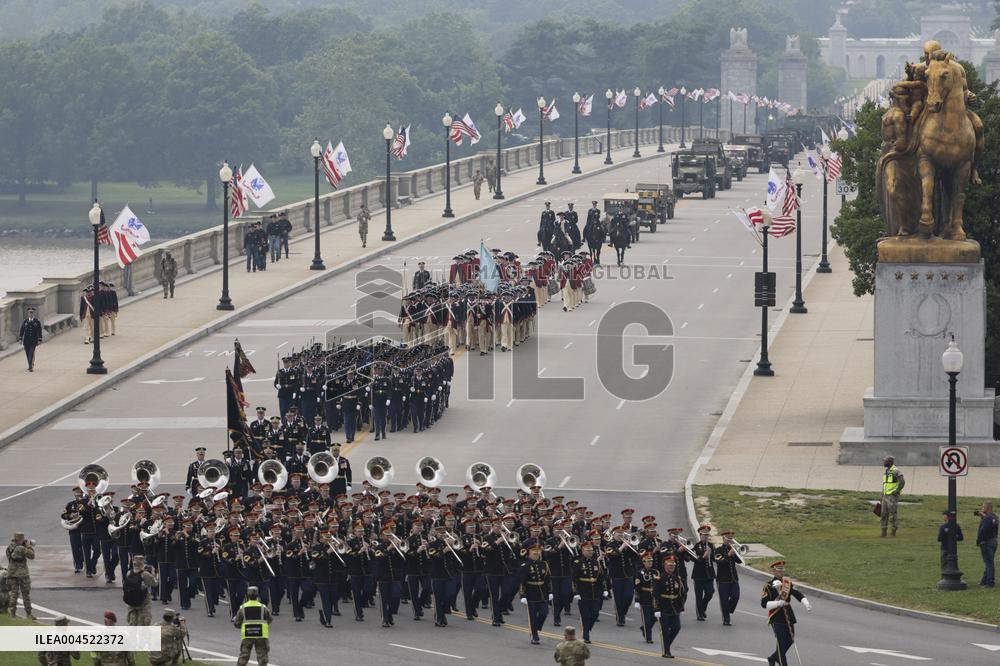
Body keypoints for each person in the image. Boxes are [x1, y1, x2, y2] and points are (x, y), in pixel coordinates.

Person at [760, 561, 811, 666]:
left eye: (783, 570)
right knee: (781, 643)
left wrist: (806, 602)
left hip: (788, 614)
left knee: (790, 640)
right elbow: (764, 604)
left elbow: (797, 593)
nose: (782, 572)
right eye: (779, 570)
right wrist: (778, 603)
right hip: (776, 616)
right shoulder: (768, 585)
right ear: (774, 571)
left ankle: (773, 658)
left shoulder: (787, 582)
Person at [653, 555, 686, 659]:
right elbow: (655, 595)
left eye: (673, 565)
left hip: (674, 608)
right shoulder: (660, 579)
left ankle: (666, 644)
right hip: (663, 607)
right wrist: (656, 609)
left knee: (676, 627)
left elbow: (681, 594)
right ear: (665, 566)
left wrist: (681, 607)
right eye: (669, 565)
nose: (672, 567)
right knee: (665, 630)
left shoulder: (677, 578)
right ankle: (666, 651)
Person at [235, 585, 272, 666]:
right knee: (262, 657)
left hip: (247, 634)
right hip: (261, 634)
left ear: (248, 595)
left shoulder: (242, 608)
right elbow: (269, 620)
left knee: (244, 655)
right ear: (257, 595)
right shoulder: (263, 608)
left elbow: (237, 623)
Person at [713, 531, 740, 626]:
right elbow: (719, 561)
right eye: (728, 539)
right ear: (723, 539)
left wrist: (737, 552)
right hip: (723, 579)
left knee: (736, 596)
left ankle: (728, 611)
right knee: (724, 600)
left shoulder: (733, 549)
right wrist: (728, 554)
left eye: (731, 539)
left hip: (733, 578)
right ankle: (726, 618)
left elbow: (739, 561)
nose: (730, 541)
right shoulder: (718, 550)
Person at [6, 531, 34, 618]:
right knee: (25, 594)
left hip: (12, 573)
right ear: (20, 539)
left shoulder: (9, 547)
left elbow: (9, 559)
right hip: (22, 574)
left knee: (14, 594)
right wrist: (29, 546)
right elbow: (32, 556)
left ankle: (12, 613)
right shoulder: (21, 548)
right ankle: (29, 614)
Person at [124, 554, 158, 626]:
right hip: (143, 602)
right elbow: (155, 583)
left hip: (131, 602)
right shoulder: (145, 574)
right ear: (142, 563)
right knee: (142, 624)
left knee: (132, 623)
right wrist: (152, 573)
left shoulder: (129, 573)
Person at [880, 456, 905, 537]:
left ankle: (893, 531)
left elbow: (902, 482)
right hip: (885, 496)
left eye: (885, 461)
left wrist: (897, 491)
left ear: (890, 462)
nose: (883, 462)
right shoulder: (886, 471)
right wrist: (882, 495)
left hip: (892, 496)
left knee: (892, 514)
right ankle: (883, 532)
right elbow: (885, 484)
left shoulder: (896, 471)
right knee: (883, 514)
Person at [976, 501, 998, 587]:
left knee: (989, 563)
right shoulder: (995, 517)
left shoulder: (987, 518)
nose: (982, 509)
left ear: (987, 508)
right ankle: (984, 580)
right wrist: (983, 517)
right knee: (989, 561)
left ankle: (990, 582)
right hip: (993, 541)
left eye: (983, 507)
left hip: (986, 542)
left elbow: (983, 530)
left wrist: (979, 541)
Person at [17, 307, 42, 372]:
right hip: (26, 340)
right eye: (29, 312)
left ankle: (30, 367)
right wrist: (20, 338)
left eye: (32, 312)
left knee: (31, 352)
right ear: (28, 313)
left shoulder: (37, 322)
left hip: (33, 340)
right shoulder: (25, 321)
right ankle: (30, 364)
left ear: (34, 313)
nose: (30, 314)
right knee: (27, 353)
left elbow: (39, 331)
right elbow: (22, 330)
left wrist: (39, 339)